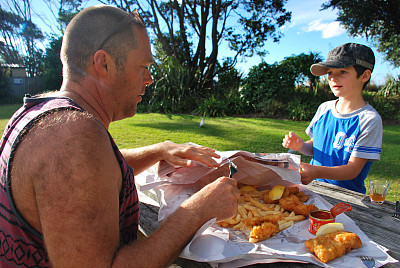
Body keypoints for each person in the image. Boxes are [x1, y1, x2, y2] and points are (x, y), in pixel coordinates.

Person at [0, 5, 240, 267]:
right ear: (104, 63)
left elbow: (97, 171)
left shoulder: (45, 113)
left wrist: (160, 150)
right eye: (143, 67)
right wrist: (196, 211)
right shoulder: (72, 137)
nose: (148, 79)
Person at [282, 43, 382, 194]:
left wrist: (317, 171)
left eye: (342, 71)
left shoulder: (369, 120)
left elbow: (353, 169)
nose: (333, 78)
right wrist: (300, 146)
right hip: (312, 189)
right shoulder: (324, 109)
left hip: (346, 196)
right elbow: (315, 147)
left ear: (365, 76)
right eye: (329, 73)